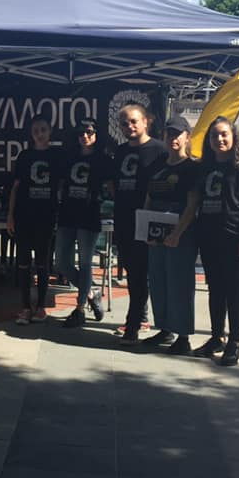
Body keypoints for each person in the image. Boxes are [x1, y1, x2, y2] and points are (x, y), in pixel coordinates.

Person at [168, 116, 239, 366]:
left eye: (223, 134)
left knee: (234, 290)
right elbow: (194, 202)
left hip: (235, 239)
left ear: (233, 137)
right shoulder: (205, 167)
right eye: (214, 136)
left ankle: (235, 342)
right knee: (216, 290)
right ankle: (216, 337)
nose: (219, 139)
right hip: (209, 237)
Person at [143, 116, 201, 355]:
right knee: (158, 281)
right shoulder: (158, 164)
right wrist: (145, 227)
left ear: (187, 136)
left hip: (181, 231)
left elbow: (192, 204)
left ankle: (183, 335)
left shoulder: (192, 168)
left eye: (178, 134)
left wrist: (178, 233)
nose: (173, 138)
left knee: (180, 283)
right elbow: (149, 196)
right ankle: (165, 328)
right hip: (156, 228)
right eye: (169, 134)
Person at [113, 103, 166, 344]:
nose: (129, 126)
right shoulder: (120, 151)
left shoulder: (160, 150)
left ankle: (134, 324)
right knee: (133, 275)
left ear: (146, 121)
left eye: (134, 121)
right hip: (123, 220)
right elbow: (114, 183)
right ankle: (138, 319)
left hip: (148, 221)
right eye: (124, 123)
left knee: (144, 274)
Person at [56, 119, 113, 327]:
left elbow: (111, 188)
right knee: (61, 262)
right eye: (81, 133)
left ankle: (79, 309)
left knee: (86, 262)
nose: (85, 136)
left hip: (89, 214)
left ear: (97, 135)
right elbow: (61, 183)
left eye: (89, 132)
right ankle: (91, 292)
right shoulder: (69, 157)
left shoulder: (104, 160)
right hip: (67, 213)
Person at [7, 115, 60, 324]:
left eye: (43, 129)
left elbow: (64, 184)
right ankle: (25, 307)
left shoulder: (57, 156)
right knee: (22, 263)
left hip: (46, 216)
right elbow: (15, 187)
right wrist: (10, 216)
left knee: (42, 263)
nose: (40, 134)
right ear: (31, 133)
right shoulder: (24, 156)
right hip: (24, 216)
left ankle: (41, 307)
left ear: (50, 131)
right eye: (36, 130)